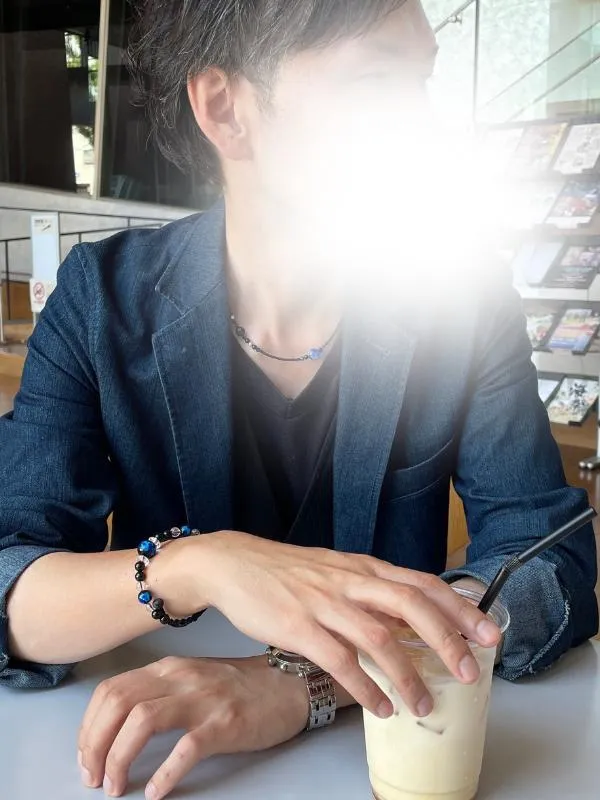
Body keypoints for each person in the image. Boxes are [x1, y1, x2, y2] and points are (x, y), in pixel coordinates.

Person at [0, 2, 597, 799]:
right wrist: (202, 565)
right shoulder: (102, 301)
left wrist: (301, 678)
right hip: (153, 765)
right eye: (377, 82)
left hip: (395, 749)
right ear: (226, 108)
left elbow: (551, 561)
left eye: (423, 82)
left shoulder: (461, 299)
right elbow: (13, 581)